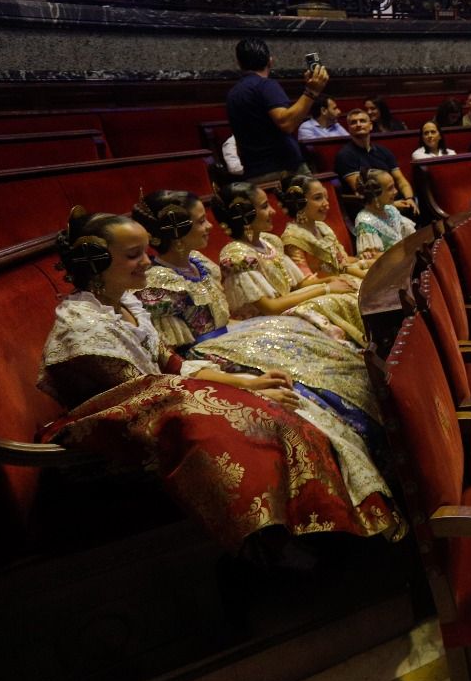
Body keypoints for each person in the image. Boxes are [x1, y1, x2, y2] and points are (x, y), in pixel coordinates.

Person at [38, 208, 401, 548]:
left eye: (145, 251)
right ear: (95, 264)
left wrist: (248, 383)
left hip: (172, 401)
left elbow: (173, 364)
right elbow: (144, 395)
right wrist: (242, 396)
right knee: (281, 420)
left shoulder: (124, 304)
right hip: (132, 428)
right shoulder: (84, 328)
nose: (147, 261)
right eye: (133, 255)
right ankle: (288, 542)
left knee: (295, 398)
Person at [129, 190, 389, 436]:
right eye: (200, 222)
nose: (209, 227)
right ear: (177, 233)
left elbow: (224, 316)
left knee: (318, 348)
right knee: (302, 376)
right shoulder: (160, 283)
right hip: (209, 353)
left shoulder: (199, 263)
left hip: (234, 333)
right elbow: (176, 353)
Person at [214, 182, 365, 346]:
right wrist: (325, 289)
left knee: (349, 288)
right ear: (245, 215)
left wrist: (329, 281)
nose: (272, 211)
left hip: (285, 307)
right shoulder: (237, 255)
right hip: (266, 322)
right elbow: (270, 308)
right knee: (328, 302)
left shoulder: (269, 241)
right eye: (264, 207)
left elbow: (297, 285)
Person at [225, 38, 322, 183]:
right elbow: (286, 122)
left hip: (254, 173)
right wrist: (312, 92)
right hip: (284, 171)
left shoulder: (233, 93)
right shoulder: (265, 85)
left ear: (239, 64)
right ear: (270, 61)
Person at [281, 175, 372, 280]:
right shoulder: (292, 237)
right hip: (322, 289)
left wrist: (363, 261)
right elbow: (305, 281)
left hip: (343, 279)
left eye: (325, 197)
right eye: (318, 198)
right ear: (299, 203)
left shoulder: (322, 227)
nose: (326, 203)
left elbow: (342, 264)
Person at [334, 108, 417, 214]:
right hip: (369, 208)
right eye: (353, 122)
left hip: (394, 200)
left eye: (362, 121)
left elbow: (400, 180)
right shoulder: (345, 155)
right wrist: (393, 205)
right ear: (349, 128)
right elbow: (363, 191)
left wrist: (409, 198)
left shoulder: (383, 151)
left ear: (371, 125)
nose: (358, 124)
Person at [353, 170, 417, 259]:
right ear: (375, 194)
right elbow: (374, 259)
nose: (396, 191)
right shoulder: (365, 221)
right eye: (390, 188)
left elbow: (410, 236)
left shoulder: (390, 209)